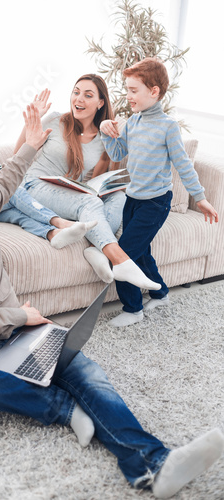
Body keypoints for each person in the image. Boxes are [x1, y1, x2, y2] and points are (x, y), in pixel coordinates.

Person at [0, 104, 223, 499]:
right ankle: (61, 408)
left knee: (86, 374)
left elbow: (8, 180)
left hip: (24, 329)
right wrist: (19, 314)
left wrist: (32, 144)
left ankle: (154, 464)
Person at [99, 57, 219, 327]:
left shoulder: (168, 127)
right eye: (127, 89)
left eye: (133, 90)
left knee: (124, 254)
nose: (128, 96)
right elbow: (118, 153)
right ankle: (160, 292)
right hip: (133, 199)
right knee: (141, 253)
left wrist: (200, 198)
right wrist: (107, 132)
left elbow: (183, 165)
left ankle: (132, 309)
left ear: (154, 92)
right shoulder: (133, 122)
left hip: (155, 203)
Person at [19, 74, 161, 290]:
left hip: (66, 194)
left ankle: (97, 248)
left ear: (100, 102)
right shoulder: (56, 120)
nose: (79, 99)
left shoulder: (104, 137)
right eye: (76, 92)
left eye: (87, 95)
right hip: (34, 185)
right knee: (90, 204)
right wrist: (32, 123)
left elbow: (96, 181)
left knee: (118, 197)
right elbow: (18, 155)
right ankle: (120, 260)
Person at [0, 93, 97, 250]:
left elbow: (4, 174)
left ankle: (53, 234)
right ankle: (58, 221)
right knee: (15, 191)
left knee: (21, 216)